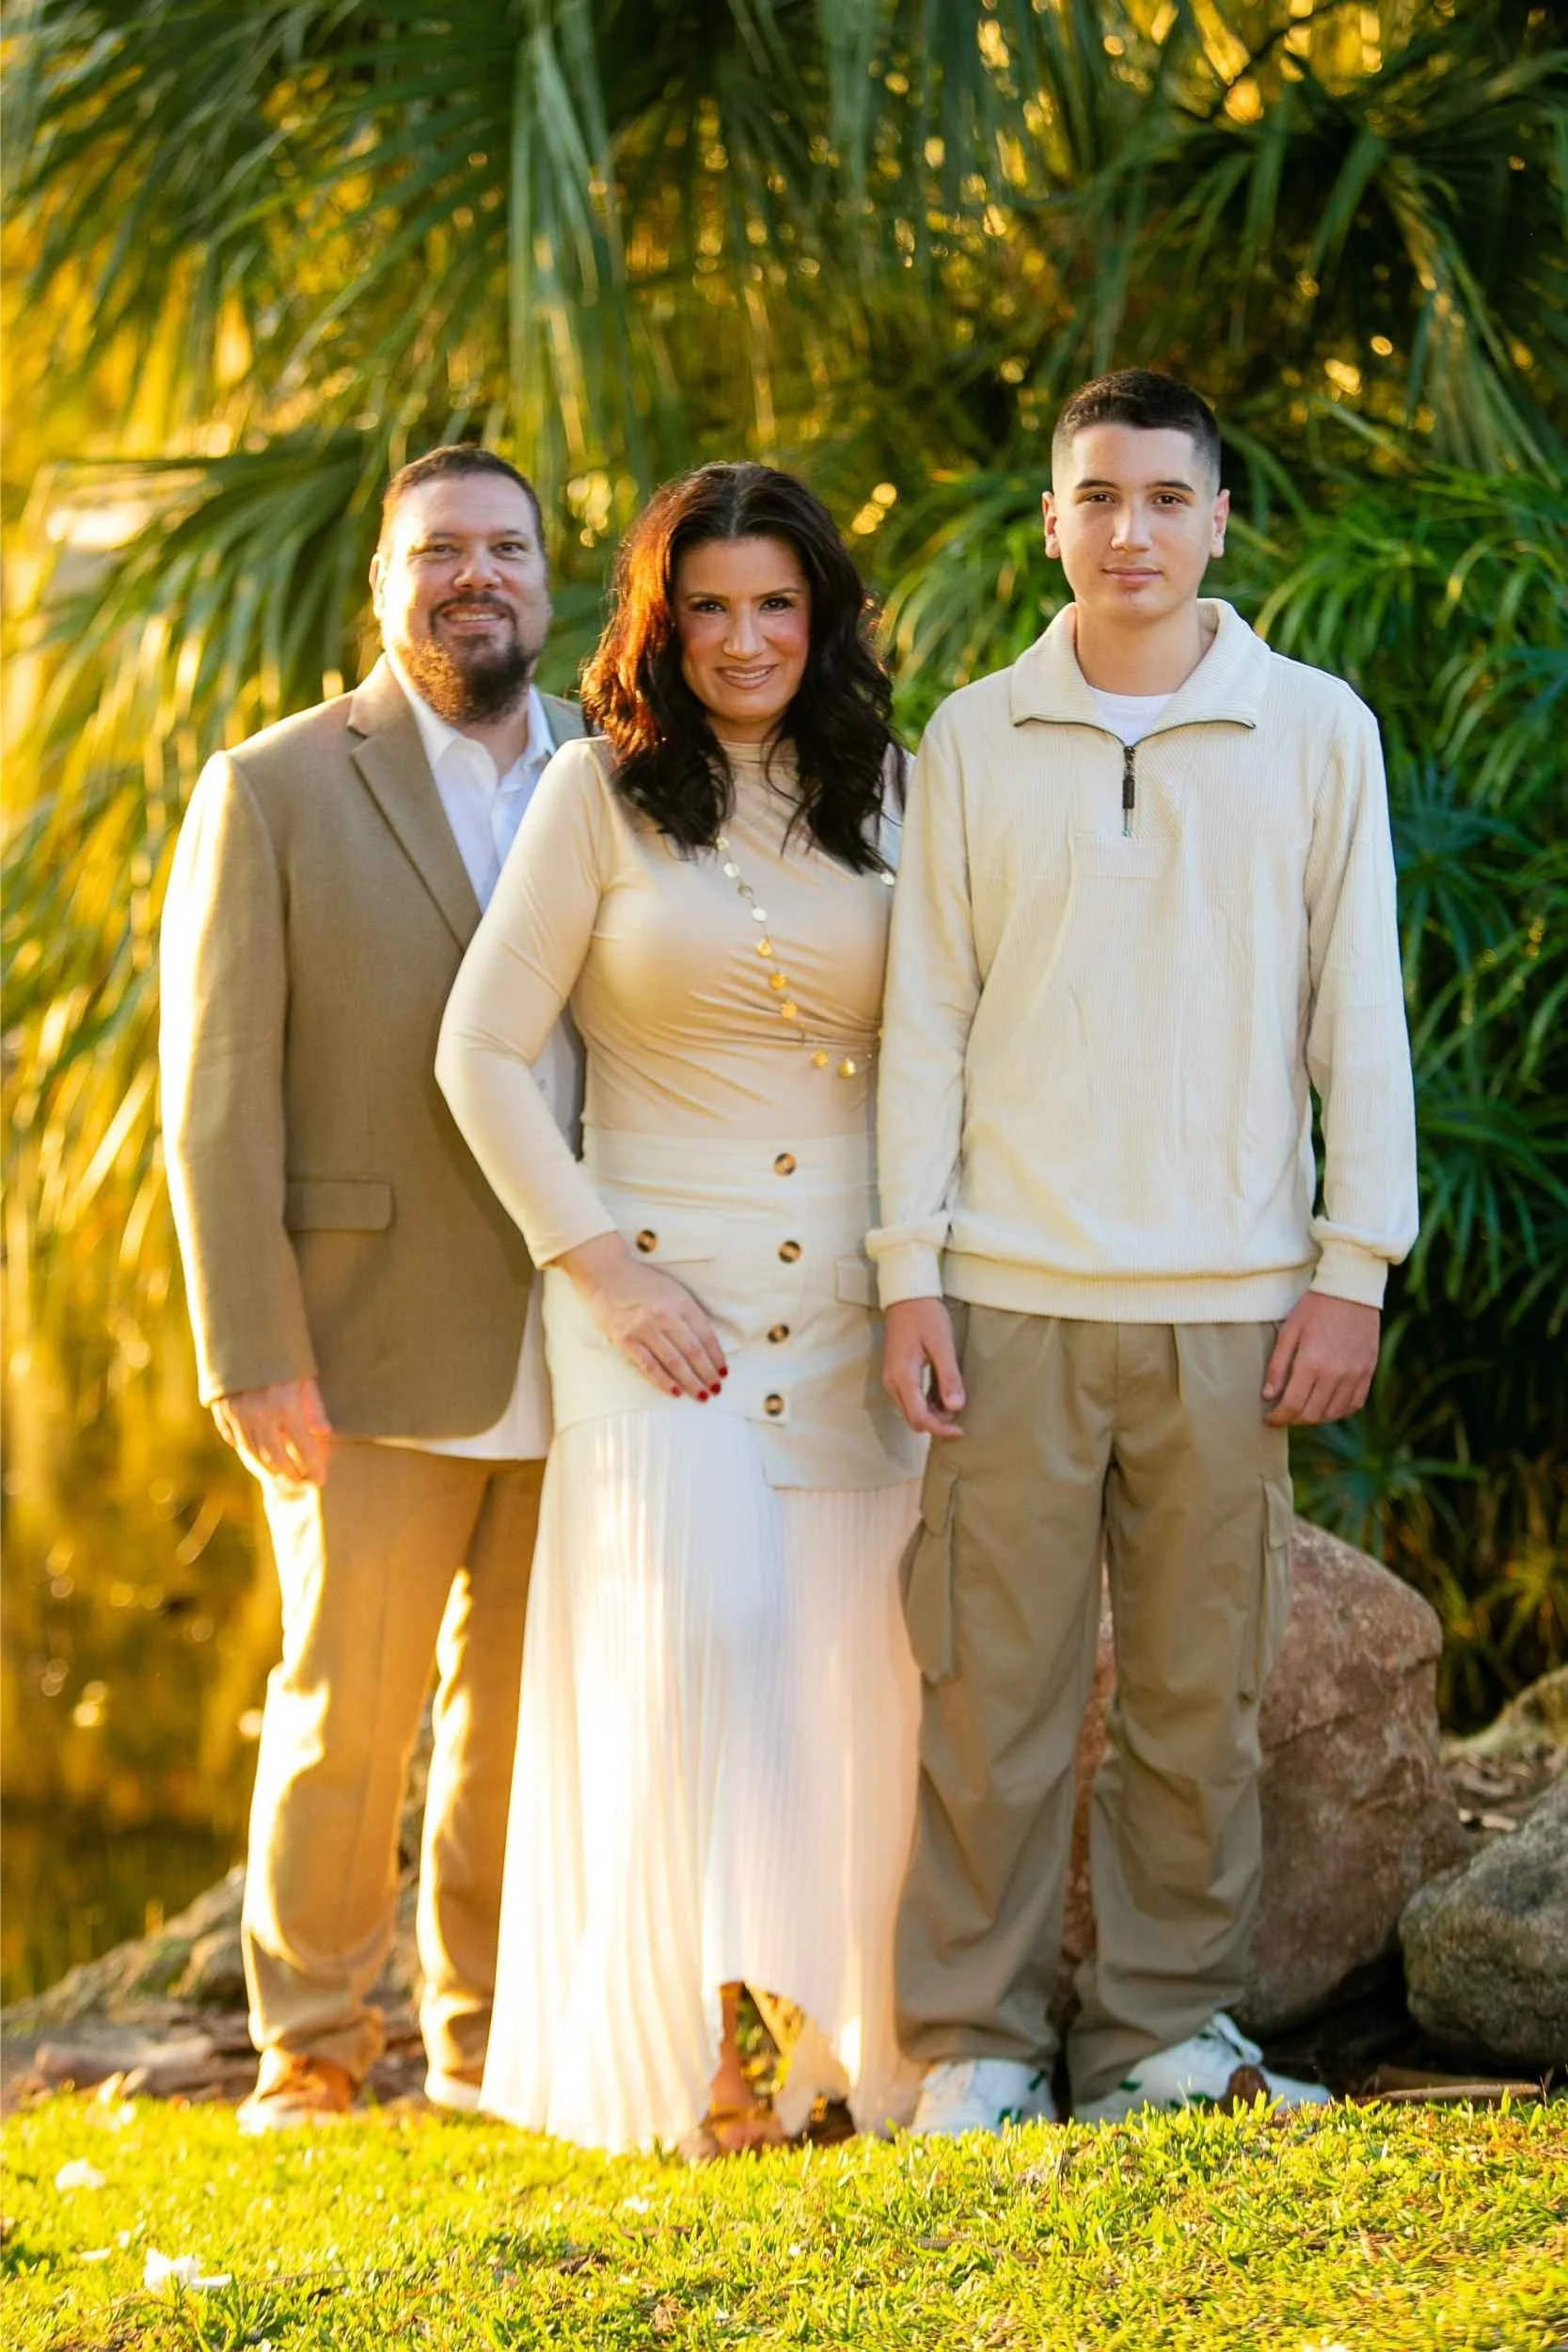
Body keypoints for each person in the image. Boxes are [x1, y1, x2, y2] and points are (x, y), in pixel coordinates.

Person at [871, 369, 1418, 2134]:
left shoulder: (1315, 729)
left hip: (1234, 1301)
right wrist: (907, 1270)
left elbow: (1358, 1014)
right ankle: (972, 2046)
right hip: (1007, 1297)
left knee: (1200, 1697)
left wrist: (1353, 1264)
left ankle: (1163, 2042)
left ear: (1217, 521)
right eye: (1098, 497)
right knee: (990, 1697)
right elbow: (924, 1023)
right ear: (1052, 522)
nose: (1131, 531)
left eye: (1166, 498)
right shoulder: (973, 737)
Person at [436, 461, 926, 2154]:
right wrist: (600, 1264)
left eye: (775, 603)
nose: (742, 638)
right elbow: (478, 1053)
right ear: (660, 623)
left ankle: (834, 2050)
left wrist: (925, 1279)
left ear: (824, 617)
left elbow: (942, 1050)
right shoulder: (592, 795)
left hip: (856, 1304)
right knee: (695, 1649)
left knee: (848, 1679)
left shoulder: (897, 791)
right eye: (707, 606)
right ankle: (696, 2053)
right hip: (653, 1306)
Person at [160, 445, 585, 2131]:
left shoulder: (617, 769)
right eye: (439, 550)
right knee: (350, 1708)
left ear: (547, 579)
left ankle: (482, 2039)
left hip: (582, 1333)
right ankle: (315, 2047)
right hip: (358, 1334)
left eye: (506, 548)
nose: (475, 575)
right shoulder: (269, 787)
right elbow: (215, 1098)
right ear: (385, 583)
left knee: (518, 1713)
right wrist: (249, 1345)